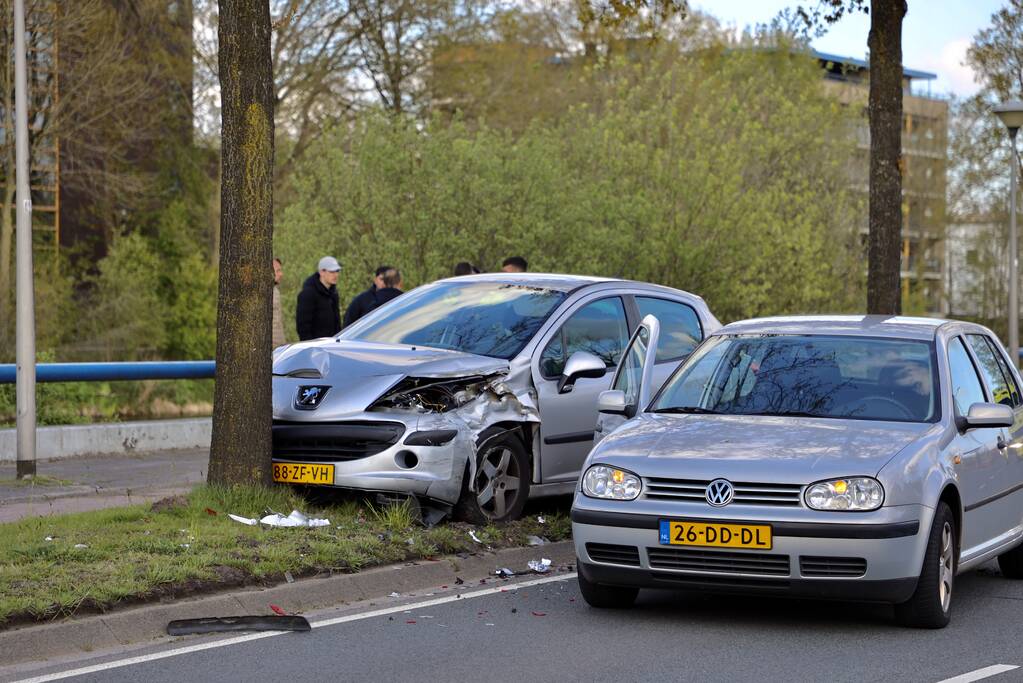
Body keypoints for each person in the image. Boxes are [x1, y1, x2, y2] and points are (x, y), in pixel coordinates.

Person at [296, 256, 342, 340]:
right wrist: (311, 348)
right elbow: (303, 327)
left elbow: (337, 323)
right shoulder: (308, 294)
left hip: (332, 345)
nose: (336, 275)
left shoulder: (334, 294)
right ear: (322, 272)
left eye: (337, 271)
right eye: (332, 271)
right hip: (315, 347)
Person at [272, 257, 287, 348]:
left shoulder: (275, 291)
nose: (281, 274)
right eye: (278, 271)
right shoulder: (263, 294)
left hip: (278, 347)